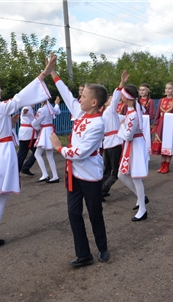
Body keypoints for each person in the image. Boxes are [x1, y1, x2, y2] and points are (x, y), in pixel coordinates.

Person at [0, 53, 57, 250]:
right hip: (3, 152)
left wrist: (9, 124)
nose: (1, 90)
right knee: (2, 197)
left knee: (0, 195)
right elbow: (19, 99)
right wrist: (43, 74)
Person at [49, 69, 109, 267]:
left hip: (90, 176)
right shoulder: (80, 112)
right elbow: (66, 94)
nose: (79, 98)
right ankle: (84, 254)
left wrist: (59, 148)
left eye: (83, 96)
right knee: (74, 214)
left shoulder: (98, 124)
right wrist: (53, 74)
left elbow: (80, 153)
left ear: (94, 102)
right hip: (73, 174)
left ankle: (102, 247)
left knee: (94, 214)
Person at [113, 71, 149, 221]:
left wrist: (117, 130)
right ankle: (141, 198)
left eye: (123, 94)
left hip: (135, 145)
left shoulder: (134, 112)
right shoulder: (133, 108)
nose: (120, 97)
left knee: (135, 177)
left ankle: (142, 208)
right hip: (132, 144)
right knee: (122, 174)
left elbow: (127, 134)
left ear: (127, 98)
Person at [151, 82, 173, 174]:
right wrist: (156, 124)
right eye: (166, 88)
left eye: (170, 88)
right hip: (161, 124)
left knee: (168, 144)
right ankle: (162, 164)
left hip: (170, 125)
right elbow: (157, 113)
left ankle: (167, 164)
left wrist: (166, 115)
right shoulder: (161, 100)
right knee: (162, 144)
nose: (167, 90)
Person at [34, 97, 61, 183]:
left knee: (37, 154)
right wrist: (56, 103)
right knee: (49, 155)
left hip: (45, 131)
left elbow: (35, 122)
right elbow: (57, 110)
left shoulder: (41, 109)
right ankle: (55, 176)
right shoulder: (50, 107)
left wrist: (34, 126)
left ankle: (45, 174)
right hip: (50, 130)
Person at [101, 92, 123, 198]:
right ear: (106, 102)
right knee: (116, 171)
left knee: (107, 169)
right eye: (110, 99)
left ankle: (101, 190)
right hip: (114, 143)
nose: (114, 100)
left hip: (108, 143)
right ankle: (102, 190)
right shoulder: (110, 110)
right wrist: (121, 85)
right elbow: (115, 100)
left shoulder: (106, 113)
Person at [17, 105, 38, 176]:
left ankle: (16, 171)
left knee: (22, 153)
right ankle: (25, 167)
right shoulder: (27, 107)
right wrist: (25, 111)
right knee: (37, 152)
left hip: (24, 133)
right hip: (28, 133)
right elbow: (24, 112)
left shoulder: (30, 108)